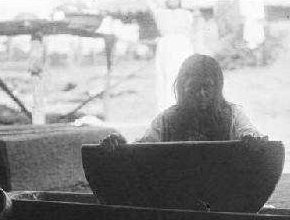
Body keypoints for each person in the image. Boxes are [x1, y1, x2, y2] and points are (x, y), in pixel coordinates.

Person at [101, 54, 267, 151]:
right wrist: (120, 146)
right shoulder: (167, 120)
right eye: (193, 88)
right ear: (182, 89)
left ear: (217, 87)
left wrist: (252, 139)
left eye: (206, 87)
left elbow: (250, 133)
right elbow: (143, 147)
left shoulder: (233, 115)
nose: (201, 94)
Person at [148, 0, 195, 112]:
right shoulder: (159, 13)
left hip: (182, 44)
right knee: (164, 76)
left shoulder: (187, 14)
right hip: (166, 44)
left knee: (183, 75)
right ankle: (166, 108)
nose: (172, 0)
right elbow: (150, 3)